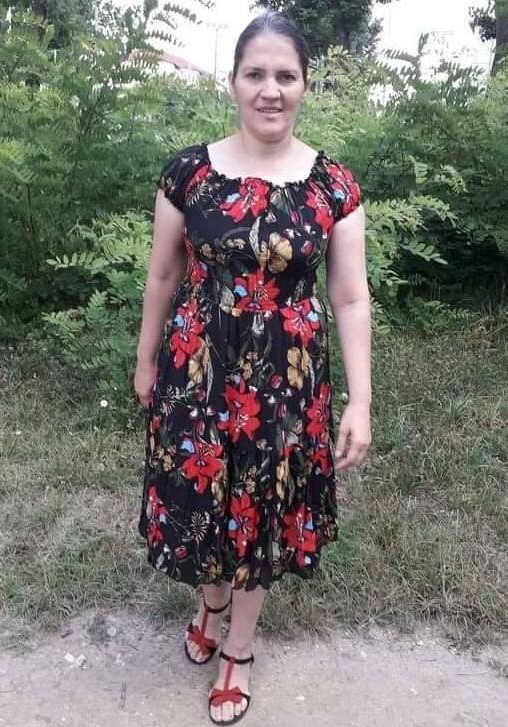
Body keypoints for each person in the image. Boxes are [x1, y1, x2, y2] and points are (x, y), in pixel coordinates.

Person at [134, 9, 371, 725]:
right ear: (234, 82)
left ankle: (238, 650)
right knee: (202, 500)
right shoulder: (189, 174)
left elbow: (350, 297)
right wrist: (145, 359)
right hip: (196, 373)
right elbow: (162, 276)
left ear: (305, 85)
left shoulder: (333, 186)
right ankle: (211, 603)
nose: (271, 89)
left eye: (286, 76)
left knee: (260, 512)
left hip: (286, 384)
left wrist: (360, 402)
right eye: (256, 74)